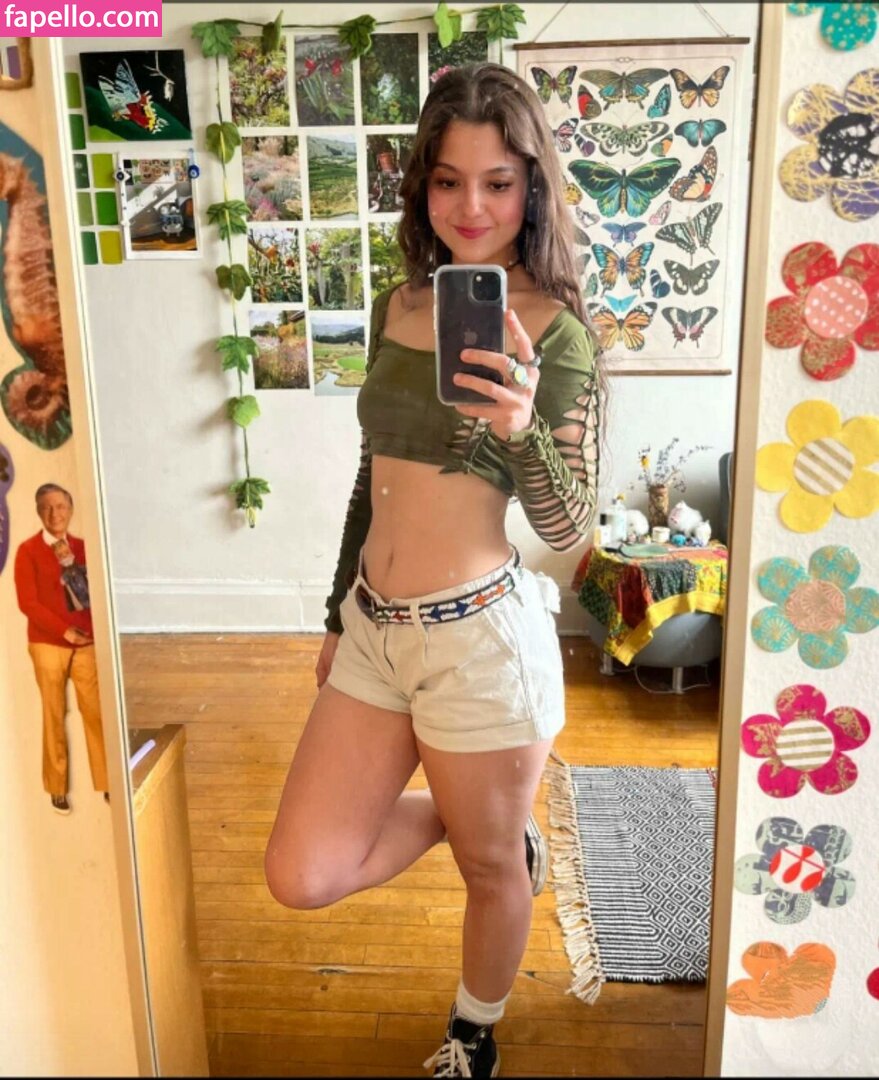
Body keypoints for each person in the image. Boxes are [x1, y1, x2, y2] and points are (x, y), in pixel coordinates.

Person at [265, 62, 600, 1078]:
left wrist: (521, 425)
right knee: (301, 874)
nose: (471, 207)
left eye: (498, 182)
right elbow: (370, 480)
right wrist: (337, 618)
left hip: (480, 641)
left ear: (532, 187)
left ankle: (472, 1032)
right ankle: (486, 827)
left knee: (492, 873)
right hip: (376, 629)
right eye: (448, 181)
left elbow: (568, 530)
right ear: (422, 187)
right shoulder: (399, 306)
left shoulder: (559, 335)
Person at [14, 483, 108, 814]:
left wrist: (90, 633)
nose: (55, 514)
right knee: (54, 713)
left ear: (71, 509)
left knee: (96, 712)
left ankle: (108, 781)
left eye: (61, 506)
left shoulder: (84, 547)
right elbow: (28, 603)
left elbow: (96, 595)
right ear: (39, 512)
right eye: (47, 507)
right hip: (47, 642)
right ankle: (56, 787)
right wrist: (64, 631)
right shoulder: (27, 551)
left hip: (87, 642)